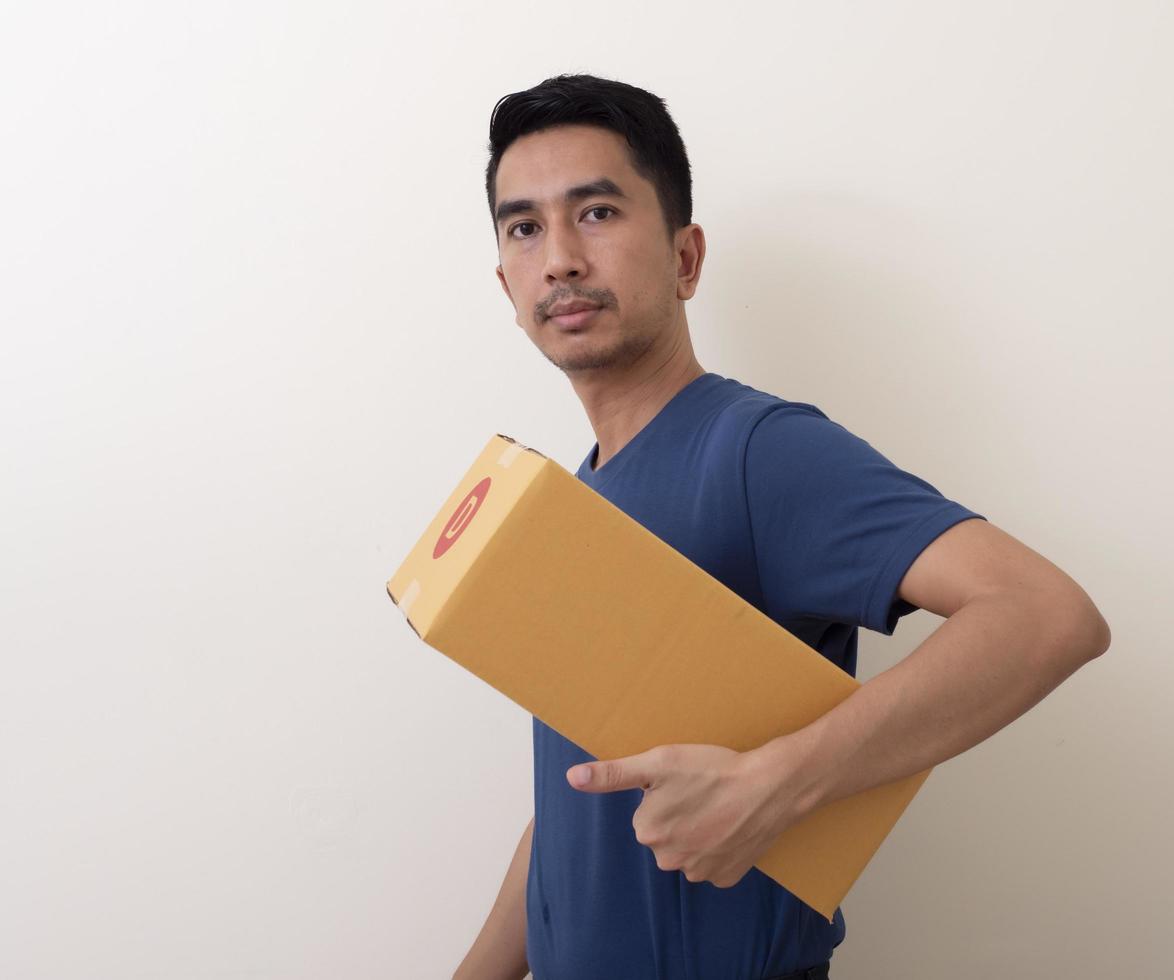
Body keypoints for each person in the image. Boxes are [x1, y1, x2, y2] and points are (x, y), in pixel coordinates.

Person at [453, 74, 1112, 980]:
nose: (559, 256)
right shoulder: (577, 498)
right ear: (505, 281)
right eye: (524, 227)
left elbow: (1044, 614)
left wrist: (774, 785)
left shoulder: (753, 451)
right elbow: (578, 804)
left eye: (597, 212)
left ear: (685, 258)